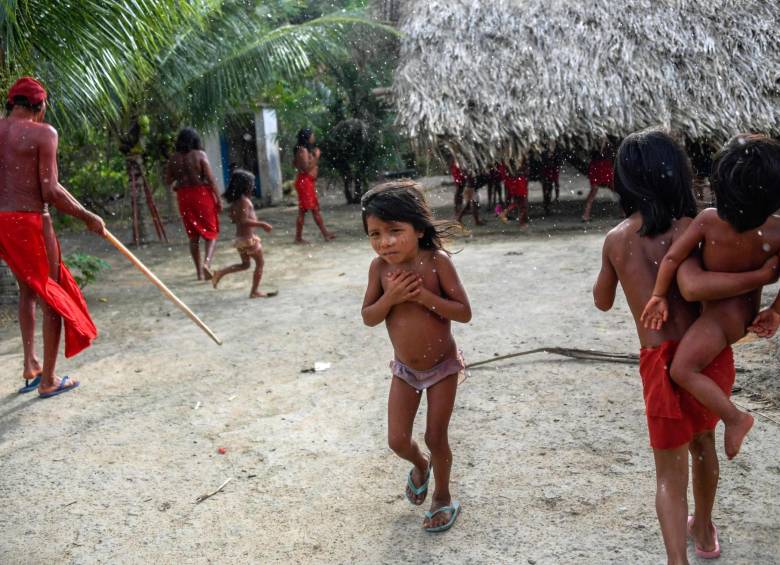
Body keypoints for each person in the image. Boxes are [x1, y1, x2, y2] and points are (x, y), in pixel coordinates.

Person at [593, 129, 778, 563]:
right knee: (703, 447)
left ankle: (677, 559)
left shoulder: (618, 240)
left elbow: (602, 301)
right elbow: (697, 285)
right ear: (677, 175)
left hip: (659, 365)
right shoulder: (693, 228)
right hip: (706, 357)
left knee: (667, 474)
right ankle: (706, 528)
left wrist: (616, 270)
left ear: (625, 182)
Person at [641, 134, 780, 460]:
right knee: (688, 371)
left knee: (681, 371)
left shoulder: (709, 221)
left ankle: (736, 418)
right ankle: (731, 418)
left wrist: (659, 294)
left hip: (718, 320)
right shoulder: (776, 232)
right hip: (740, 317)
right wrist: (774, 311)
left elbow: (673, 259)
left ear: (720, 184)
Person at [361, 180, 470, 533]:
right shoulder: (379, 270)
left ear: (419, 229)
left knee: (436, 436)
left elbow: (463, 312)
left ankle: (442, 495)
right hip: (405, 370)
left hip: (442, 368)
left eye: (394, 231)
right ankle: (421, 466)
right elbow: (369, 317)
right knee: (397, 440)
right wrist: (390, 298)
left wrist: (424, 297)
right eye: (375, 234)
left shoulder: (437, 262)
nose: (384, 242)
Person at [0, 76, 105, 397]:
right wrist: (89, 217)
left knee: (27, 290)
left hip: (1, 222)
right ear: (40, 106)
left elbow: (53, 187)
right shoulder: (44, 133)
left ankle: (31, 364)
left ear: (11, 104)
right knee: (52, 297)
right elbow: (50, 191)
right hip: (30, 222)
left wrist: (83, 210)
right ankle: (47, 380)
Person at [165, 127, 222, 280]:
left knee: (193, 235)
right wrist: (218, 199)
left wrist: (180, 181)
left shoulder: (173, 159)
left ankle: (198, 272)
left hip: (184, 197)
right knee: (211, 232)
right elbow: (210, 179)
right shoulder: (200, 155)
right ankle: (207, 264)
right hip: (201, 194)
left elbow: (168, 181)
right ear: (195, 140)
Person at [211, 169, 275, 299]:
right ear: (246, 186)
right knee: (260, 263)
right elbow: (243, 220)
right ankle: (254, 291)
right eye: (251, 184)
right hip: (248, 239)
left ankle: (220, 273)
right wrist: (262, 224)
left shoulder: (237, 201)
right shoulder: (244, 201)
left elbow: (234, 218)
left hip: (240, 239)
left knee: (245, 265)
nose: (253, 186)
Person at [292, 128, 335, 244]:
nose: (314, 137)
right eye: (312, 135)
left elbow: (295, 164)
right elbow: (306, 169)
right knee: (310, 210)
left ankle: (321, 234)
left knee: (307, 210)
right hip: (305, 183)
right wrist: (316, 157)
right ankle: (302, 237)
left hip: (306, 182)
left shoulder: (302, 150)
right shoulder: (303, 150)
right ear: (307, 137)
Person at [582, 140, 615, 222]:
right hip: (598, 168)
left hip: (603, 168)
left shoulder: (607, 144)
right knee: (594, 191)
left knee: (615, 189)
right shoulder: (594, 144)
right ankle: (585, 215)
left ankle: (624, 212)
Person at [497, 160, 529, 227]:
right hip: (518, 184)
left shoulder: (506, 163)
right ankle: (521, 221)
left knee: (519, 203)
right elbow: (514, 172)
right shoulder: (511, 161)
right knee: (521, 204)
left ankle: (521, 221)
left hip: (515, 183)